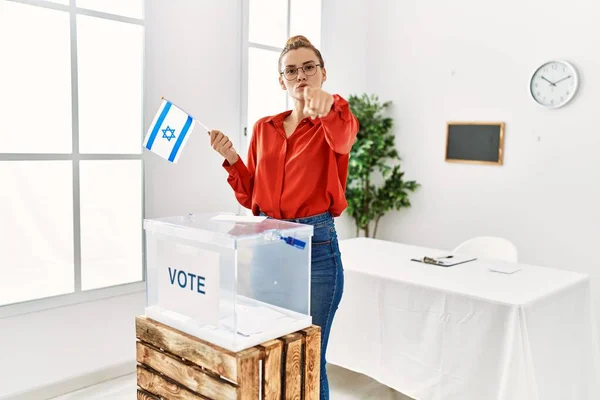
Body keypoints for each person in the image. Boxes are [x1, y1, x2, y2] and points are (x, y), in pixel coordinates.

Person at [209, 35, 359, 399]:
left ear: (323, 73)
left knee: (308, 357)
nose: (301, 76)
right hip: (267, 246)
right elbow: (252, 196)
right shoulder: (264, 128)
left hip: (316, 249)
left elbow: (343, 137)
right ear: (282, 81)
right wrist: (231, 159)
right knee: (271, 350)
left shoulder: (335, 120)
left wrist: (329, 105)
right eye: (291, 71)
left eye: (309, 68)